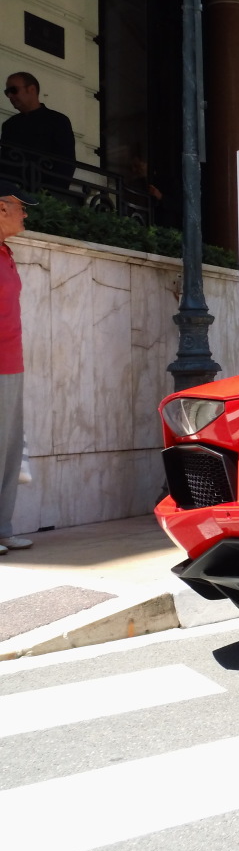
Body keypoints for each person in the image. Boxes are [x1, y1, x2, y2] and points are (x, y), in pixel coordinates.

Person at [0, 179, 38, 554]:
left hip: (12, 362)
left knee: (9, 449)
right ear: (0, 208)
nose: (25, 213)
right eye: (20, 206)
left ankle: (3, 528)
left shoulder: (6, 253)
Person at [1, 73, 75, 191]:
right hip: (12, 196)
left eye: (13, 90)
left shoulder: (57, 121)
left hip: (44, 196)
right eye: (7, 92)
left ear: (31, 89)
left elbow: (66, 163)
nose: (10, 95)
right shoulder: (10, 125)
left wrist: (52, 196)